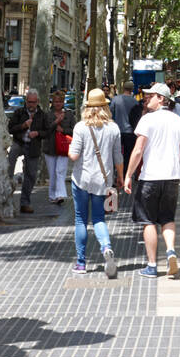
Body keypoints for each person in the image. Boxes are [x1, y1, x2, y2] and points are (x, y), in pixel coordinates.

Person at [124, 85, 180, 278]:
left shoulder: (147, 120)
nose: (147, 99)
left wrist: (128, 175)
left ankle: (152, 265)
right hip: (172, 177)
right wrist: (170, 152)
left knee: (148, 221)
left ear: (161, 98)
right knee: (168, 219)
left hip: (151, 177)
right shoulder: (179, 121)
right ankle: (170, 250)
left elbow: (138, 150)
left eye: (150, 96)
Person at [67, 87, 123, 275]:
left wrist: (69, 148)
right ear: (105, 107)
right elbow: (118, 158)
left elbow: (73, 156)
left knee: (81, 219)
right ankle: (106, 247)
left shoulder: (80, 127)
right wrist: (121, 178)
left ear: (87, 107)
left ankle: (81, 263)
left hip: (81, 179)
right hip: (103, 180)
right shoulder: (113, 128)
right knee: (99, 218)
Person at [7, 90, 49, 214]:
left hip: (33, 146)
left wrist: (37, 133)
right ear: (26, 101)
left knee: (31, 175)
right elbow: (10, 128)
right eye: (29, 102)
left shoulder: (42, 115)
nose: (31, 105)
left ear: (38, 102)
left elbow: (47, 132)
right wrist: (23, 126)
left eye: (34, 102)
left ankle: (25, 203)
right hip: (19, 143)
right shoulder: (19, 112)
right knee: (10, 162)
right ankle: (7, 193)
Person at [43, 89, 76, 204]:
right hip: (50, 148)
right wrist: (56, 121)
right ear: (52, 101)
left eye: (60, 101)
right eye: (56, 101)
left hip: (64, 147)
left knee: (60, 171)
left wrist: (63, 130)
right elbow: (45, 131)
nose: (58, 104)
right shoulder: (47, 114)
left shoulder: (69, 114)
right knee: (52, 173)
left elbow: (74, 130)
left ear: (63, 102)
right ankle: (52, 195)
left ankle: (60, 195)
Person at [110, 81, 138, 171]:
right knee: (128, 155)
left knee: (115, 152)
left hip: (117, 130)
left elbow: (110, 114)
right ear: (132, 89)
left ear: (123, 88)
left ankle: (115, 171)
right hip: (130, 132)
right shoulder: (135, 102)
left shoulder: (115, 99)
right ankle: (125, 173)